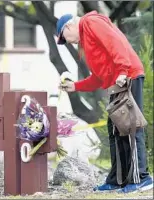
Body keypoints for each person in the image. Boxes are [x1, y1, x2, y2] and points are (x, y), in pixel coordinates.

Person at [56, 11, 153, 193]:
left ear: (68, 27)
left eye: (65, 38)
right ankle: (118, 180)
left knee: (130, 128)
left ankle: (142, 178)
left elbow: (116, 42)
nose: (69, 42)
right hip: (117, 82)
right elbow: (98, 78)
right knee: (116, 132)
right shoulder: (85, 40)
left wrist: (123, 70)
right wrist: (75, 87)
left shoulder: (91, 22)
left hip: (127, 77)